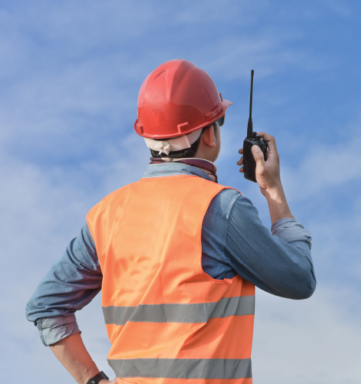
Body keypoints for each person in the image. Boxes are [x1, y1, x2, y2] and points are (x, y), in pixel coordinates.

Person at [25, 59, 316, 384]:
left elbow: (46, 307)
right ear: (209, 134)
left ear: (146, 134)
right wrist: (273, 191)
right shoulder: (221, 207)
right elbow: (299, 279)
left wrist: (94, 381)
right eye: (218, 121)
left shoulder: (105, 214)